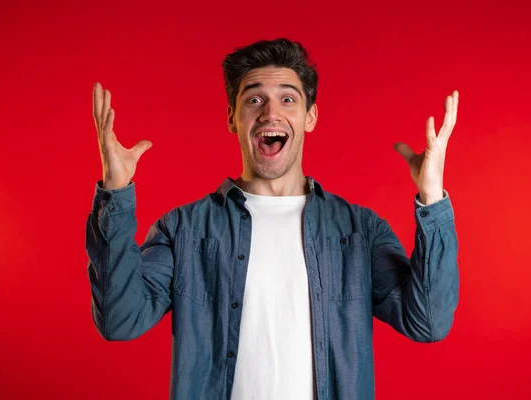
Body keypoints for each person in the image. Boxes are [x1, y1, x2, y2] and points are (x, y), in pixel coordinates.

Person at [86, 38, 459, 400]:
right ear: (233, 118)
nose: (270, 113)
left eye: (287, 98)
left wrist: (432, 197)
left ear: (310, 116)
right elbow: (120, 319)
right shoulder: (184, 230)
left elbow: (427, 321)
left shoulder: (359, 231)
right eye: (253, 99)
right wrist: (115, 192)